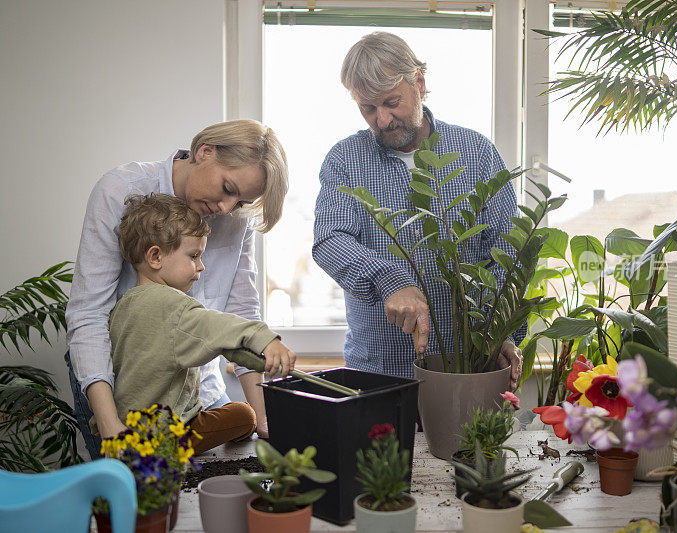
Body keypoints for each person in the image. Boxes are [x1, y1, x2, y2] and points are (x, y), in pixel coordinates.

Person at [66, 119, 293, 458]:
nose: (228, 209)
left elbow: (240, 312)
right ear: (205, 152)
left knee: (214, 482)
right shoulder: (119, 191)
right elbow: (88, 315)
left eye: (242, 201)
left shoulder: (235, 219)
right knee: (140, 496)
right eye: (228, 189)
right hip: (117, 389)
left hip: (197, 385)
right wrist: (111, 424)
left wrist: (263, 419)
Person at [312, 32, 523, 387]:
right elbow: (330, 241)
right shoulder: (344, 160)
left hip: (470, 370)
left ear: (419, 83)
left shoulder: (478, 153)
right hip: (378, 373)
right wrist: (389, 279)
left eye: (391, 102)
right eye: (367, 107)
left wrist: (500, 328)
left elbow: (507, 254)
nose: (381, 119)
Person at [98, 193, 294, 453]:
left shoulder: (123, 306)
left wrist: (250, 359)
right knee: (243, 415)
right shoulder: (175, 307)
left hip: (127, 427)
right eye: (193, 256)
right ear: (155, 257)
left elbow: (213, 342)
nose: (201, 267)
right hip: (163, 435)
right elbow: (218, 326)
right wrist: (264, 339)